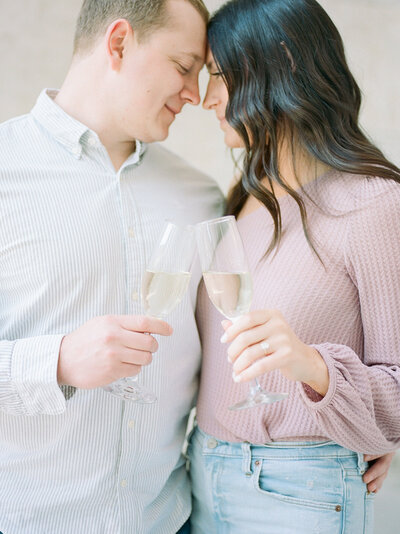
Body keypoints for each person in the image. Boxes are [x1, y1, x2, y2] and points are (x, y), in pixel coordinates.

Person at [0, 1, 224, 533]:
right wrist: (54, 362)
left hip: (167, 523)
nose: (195, 94)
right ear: (119, 43)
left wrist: (337, 434)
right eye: (183, 66)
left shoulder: (203, 199)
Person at [189, 0, 400, 532]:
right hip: (200, 473)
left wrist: (314, 366)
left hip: (296, 489)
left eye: (216, 75)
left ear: (278, 63)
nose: (204, 97)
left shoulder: (373, 204)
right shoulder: (244, 200)